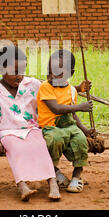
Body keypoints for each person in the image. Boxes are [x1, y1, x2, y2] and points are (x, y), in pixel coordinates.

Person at [0, 45, 61, 201]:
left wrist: (77, 88)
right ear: (1, 69)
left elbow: (53, 91)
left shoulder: (32, 84)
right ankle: (22, 185)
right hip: (8, 132)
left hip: (31, 128)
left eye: (22, 71)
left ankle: (52, 183)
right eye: (14, 72)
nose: (19, 76)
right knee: (17, 150)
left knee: (40, 146)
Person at [37, 49, 94, 193]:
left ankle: (76, 176)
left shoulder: (71, 91)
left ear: (70, 74)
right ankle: (55, 172)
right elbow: (56, 108)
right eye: (49, 71)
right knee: (53, 141)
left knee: (81, 141)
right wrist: (80, 106)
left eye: (57, 72)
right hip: (51, 127)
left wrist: (86, 130)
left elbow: (72, 115)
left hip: (69, 127)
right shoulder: (45, 87)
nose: (51, 76)